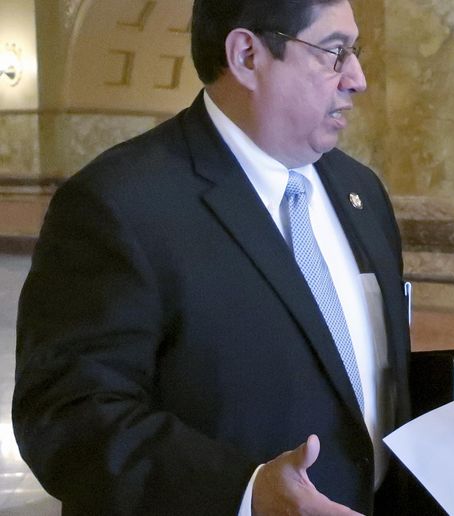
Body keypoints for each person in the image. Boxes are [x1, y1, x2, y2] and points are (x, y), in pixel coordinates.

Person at [13, 0, 412, 514]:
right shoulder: (118, 203)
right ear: (247, 56)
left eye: (354, 52)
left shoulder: (361, 190)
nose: (356, 78)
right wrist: (246, 494)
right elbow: (68, 415)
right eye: (333, 53)